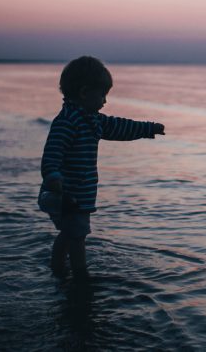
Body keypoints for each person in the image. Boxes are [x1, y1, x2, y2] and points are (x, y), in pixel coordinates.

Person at [39, 56, 165, 278]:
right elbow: (52, 153)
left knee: (70, 234)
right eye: (102, 95)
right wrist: (53, 176)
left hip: (79, 194)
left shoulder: (93, 119)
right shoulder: (68, 120)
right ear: (85, 92)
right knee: (77, 236)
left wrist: (148, 128)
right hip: (67, 195)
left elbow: (120, 127)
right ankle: (80, 275)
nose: (105, 101)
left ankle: (57, 269)